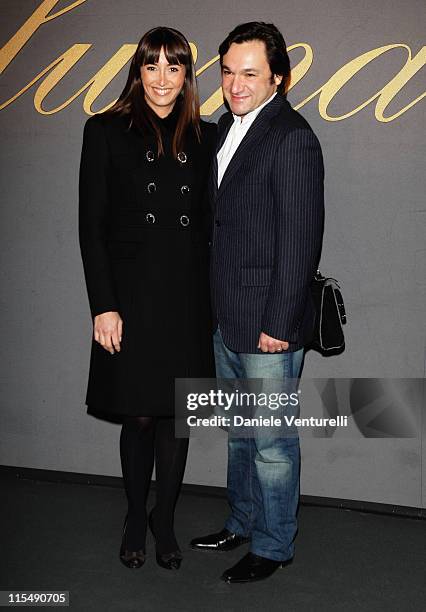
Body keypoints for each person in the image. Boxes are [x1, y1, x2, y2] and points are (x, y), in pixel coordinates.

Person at [190, 22, 324, 583]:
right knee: (241, 432)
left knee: (271, 444)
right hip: (227, 318)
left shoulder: (291, 136)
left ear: (278, 77)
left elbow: (301, 240)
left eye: (249, 73)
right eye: (227, 71)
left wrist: (279, 323)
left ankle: (273, 545)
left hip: (268, 324)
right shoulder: (222, 131)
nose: (235, 84)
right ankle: (242, 522)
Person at [78, 26, 216, 571]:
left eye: (174, 67)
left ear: (186, 77)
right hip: (131, 298)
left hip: (185, 296)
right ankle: (135, 516)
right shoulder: (105, 131)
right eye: (152, 66)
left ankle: (165, 520)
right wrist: (103, 305)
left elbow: (210, 226)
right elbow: (92, 227)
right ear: (138, 72)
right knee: (138, 416)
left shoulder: (207, 138)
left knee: (175, 417)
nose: (162, 78)